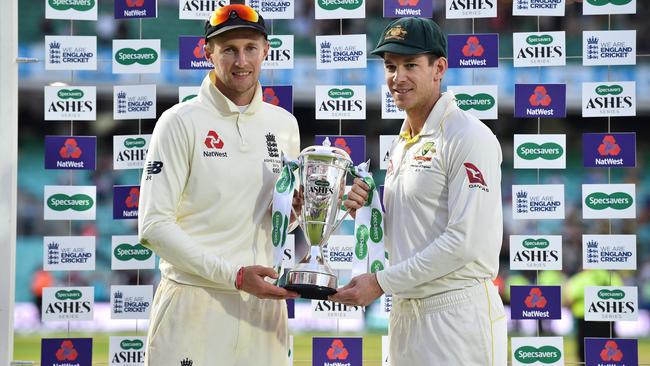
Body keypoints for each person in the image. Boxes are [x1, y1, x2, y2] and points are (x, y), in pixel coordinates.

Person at [332, 17, 507, 365]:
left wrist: (380, 282)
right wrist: (367, 211)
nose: (398, 78)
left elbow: (464, 241)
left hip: (457, 316)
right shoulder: (403, 141)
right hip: (406, 313)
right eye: (391, 66)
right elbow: (414, 230)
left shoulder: (468, 136)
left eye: (411, 65)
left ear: (439, 67)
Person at [138, 4, 300, 365]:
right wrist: (235, 276)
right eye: (228, 49)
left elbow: (266, 222)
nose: (241, 60)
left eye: (250, 48)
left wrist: (294, 215)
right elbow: (153, 227)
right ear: (207, 52)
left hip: (262, 310)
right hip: (195, 303)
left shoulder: (284, 125)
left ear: (266, 51)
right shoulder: (179, 121)